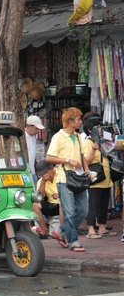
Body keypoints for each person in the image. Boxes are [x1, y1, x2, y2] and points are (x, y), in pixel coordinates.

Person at [45, 107, 89, 252]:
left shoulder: (77, 136)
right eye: (78, 119)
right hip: (64, 178)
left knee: (83, 210)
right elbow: (49, 157)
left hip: (78, 177)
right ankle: (73, 241)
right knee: (69, 212)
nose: (80, 122)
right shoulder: (58, 137)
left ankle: (62, 231)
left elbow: (82, 155)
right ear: (70, 121)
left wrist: (87, 169)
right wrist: (68, 160)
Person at [82, 118, 116, 239]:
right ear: (90, 130)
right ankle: (90, 229)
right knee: (94, 204)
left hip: (105, 178)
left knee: (103, 204)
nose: (100, 129)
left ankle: (102, 227)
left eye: (100, 127)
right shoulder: (88, 142)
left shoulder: (102, 141)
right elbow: (86, 161)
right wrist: (93, 149)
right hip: (96, 177)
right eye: (97, 127)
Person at [32, 160, 61, 239]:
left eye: (46, 172)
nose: (45, 175)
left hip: (62, 205)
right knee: (35, 204)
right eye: (42, 173)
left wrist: (60, 195)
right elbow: (39, 198)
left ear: (51, 168)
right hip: (51, 205)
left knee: (55, 234)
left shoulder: (60, 174)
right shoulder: (42, 180)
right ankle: (44, 229)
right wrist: (43, 182)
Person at [25, 115, 45, 185]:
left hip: (33, 173)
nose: (37, 131)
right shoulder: (23, 137)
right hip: (25, 173)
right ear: (28, 126)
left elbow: (32, 154)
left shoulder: (33, 137)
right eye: (36, 129)